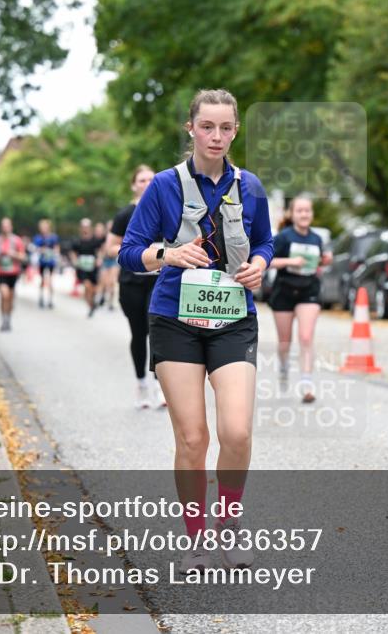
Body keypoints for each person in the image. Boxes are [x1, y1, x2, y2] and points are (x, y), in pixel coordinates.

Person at [118, 88, 273, 575]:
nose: (217, 136)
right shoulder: (163, 186)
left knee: (237, 431)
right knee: (192, 438)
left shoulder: (250, 187)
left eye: (226, 128)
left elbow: (265, 240)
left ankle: (228, 523)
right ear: (191, 129)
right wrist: (168, 254)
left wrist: (260, 264)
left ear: (235, 131)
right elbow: (129, 251)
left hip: (232, 317)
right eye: (208, 126)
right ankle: (196, 539)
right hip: (174, 319)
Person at [106, 164, 166, 410]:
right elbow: (110, 247)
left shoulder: (166, 211)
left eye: (152, 179)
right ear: (134, 184)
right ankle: (141, 382)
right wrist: (140, 253)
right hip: (132, 281)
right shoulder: (124, 214)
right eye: (142, 180)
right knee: (139, 333)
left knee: (158, 330)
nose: (148, 183)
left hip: (158, 280)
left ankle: (159, 384)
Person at [268, 195, 332, 403]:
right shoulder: (284, 237)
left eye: (307, 211)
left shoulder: (316, 238)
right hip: (285, 291)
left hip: (309, 290)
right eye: (300, 211)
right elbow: (266, 261)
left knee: (306, 337)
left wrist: (325, 260)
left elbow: (317, 263)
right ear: (292, 214)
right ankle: (284, 366)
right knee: (285, 342)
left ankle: (306, 383)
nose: (304, 214)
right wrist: (290, 261)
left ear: (311, 214)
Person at [0, 217, 27, 332]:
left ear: (11, 227)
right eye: (3, 226)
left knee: (10, 298)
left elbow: (23, 257)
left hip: (13, 272)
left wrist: (13, 254)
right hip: (1, 272)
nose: (5, 228)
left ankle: (8, 319)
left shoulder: (17, 240)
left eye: (7, 225)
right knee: (4, 295)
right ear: (1, 227)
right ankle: (3, 320)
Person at [70, 218, 102, 318]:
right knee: (87, 286)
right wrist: (75, 261)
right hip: (82, 268)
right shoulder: (77, 241)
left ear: (90, 228)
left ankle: (92, 302)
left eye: (87, 227)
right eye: (83, 227)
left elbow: (100, 251)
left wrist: (99, 259)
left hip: (93, 267)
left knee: (93, 289)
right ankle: (91, 306)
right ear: (81, 228)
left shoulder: (95, 240)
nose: (85, 229)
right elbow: (73, 252)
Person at [33, 219, 60, 309]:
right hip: (42, 261)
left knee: (51, 280)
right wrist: (42, 250)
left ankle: (50, 300)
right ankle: (41, 297)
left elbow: (57, 248)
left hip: (51, 261)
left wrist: (54, 253)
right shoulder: (38, 237)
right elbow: (35, 248)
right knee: (42, 280)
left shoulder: (53, 237)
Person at [93, 221, 115, 309]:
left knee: (111, 282)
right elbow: (100, 250)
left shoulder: (117, 236)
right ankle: (99, 298)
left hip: (114, 260)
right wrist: (99, 258)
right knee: (103, 281)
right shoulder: (104, 237)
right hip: (105, 260)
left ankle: (110, 302)